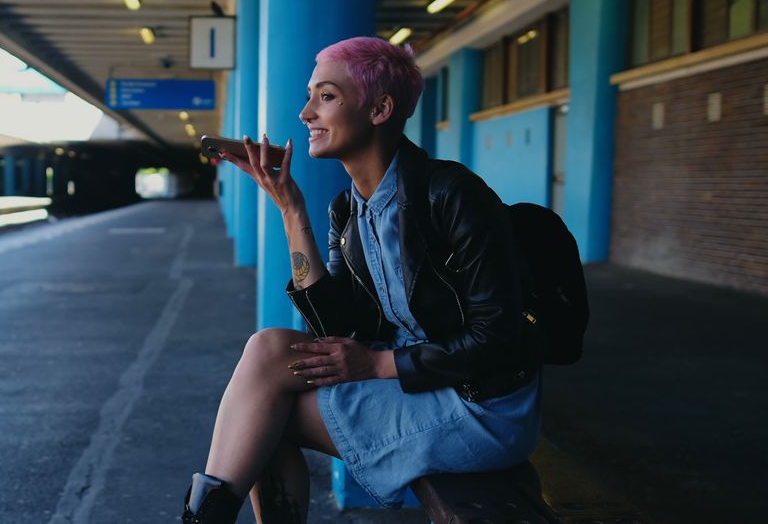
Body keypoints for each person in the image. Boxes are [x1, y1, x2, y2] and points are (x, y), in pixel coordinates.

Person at [182, 37, 542, 523]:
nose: (306, 113)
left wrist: (376, 365)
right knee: (269, 350)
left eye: (326, 96)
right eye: (310, 96)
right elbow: (339, 326)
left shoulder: (453, 195)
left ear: (380, 109)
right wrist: (290, 209)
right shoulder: (348, 210)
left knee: (265, 419)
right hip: (413, 385)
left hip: (479, 404)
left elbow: (498, 338)